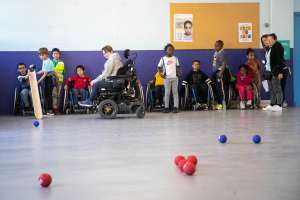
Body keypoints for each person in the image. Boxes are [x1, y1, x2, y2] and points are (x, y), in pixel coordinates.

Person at [29, 48, 58, 115]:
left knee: (49, 94)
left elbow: (45, 74)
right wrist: (35, 73)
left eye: (43, 55)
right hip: (47, 78)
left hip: (50, 78)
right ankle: (49, 109)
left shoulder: (47, 62)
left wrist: (38, 82)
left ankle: (50, 110)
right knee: (47, 94)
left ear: (47, 54)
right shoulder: (44, 60)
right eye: (40, 55)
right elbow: (43, 70)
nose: (41, 57)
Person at [157, 43, 183, 113]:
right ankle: (166, 107)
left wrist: (181, 72)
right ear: (166, 51)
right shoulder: (163, 59)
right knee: (167, 92)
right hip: (167, 77)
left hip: (174, 77)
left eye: (172, 50)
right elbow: (158, 67)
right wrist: (160, 74)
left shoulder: (175, 58)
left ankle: (176, 107)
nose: (171, 51)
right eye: (169, 50)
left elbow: (178, 66)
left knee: (175, 92)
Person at [262, 33, 284, 112]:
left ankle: (279, 105)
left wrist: (280, 72)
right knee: (271, 89)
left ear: (275, 40)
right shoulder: (268, 48)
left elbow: (280, 60)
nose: (268, 41)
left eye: (270, 39)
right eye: (267, 40)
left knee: (277, 88)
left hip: (275, 71)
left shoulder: (277, 47)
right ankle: (272, 104)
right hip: (269, 72)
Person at [212, 40, 235, 109]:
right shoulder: (216, 53)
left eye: (217, 46)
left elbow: (223, 65)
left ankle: (223, 103)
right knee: (219, 89)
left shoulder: (221, 54)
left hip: (221, 74)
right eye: (215, 46)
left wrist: (220, 73)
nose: (215, 47)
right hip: (217, 73)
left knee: (222, 89)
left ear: (221, 47)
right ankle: (219, 103)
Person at [51, 48, 65, 114]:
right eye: (54, 54)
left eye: (57, 54)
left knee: (58, 95)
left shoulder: (62, 63)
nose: (56, 55)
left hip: (59, 81)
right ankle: (54, 107)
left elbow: (63, 72)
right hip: (52, 81)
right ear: (52, 55)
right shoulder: (50, 62)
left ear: (59, 55)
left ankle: (57, 108)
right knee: (54, 94)